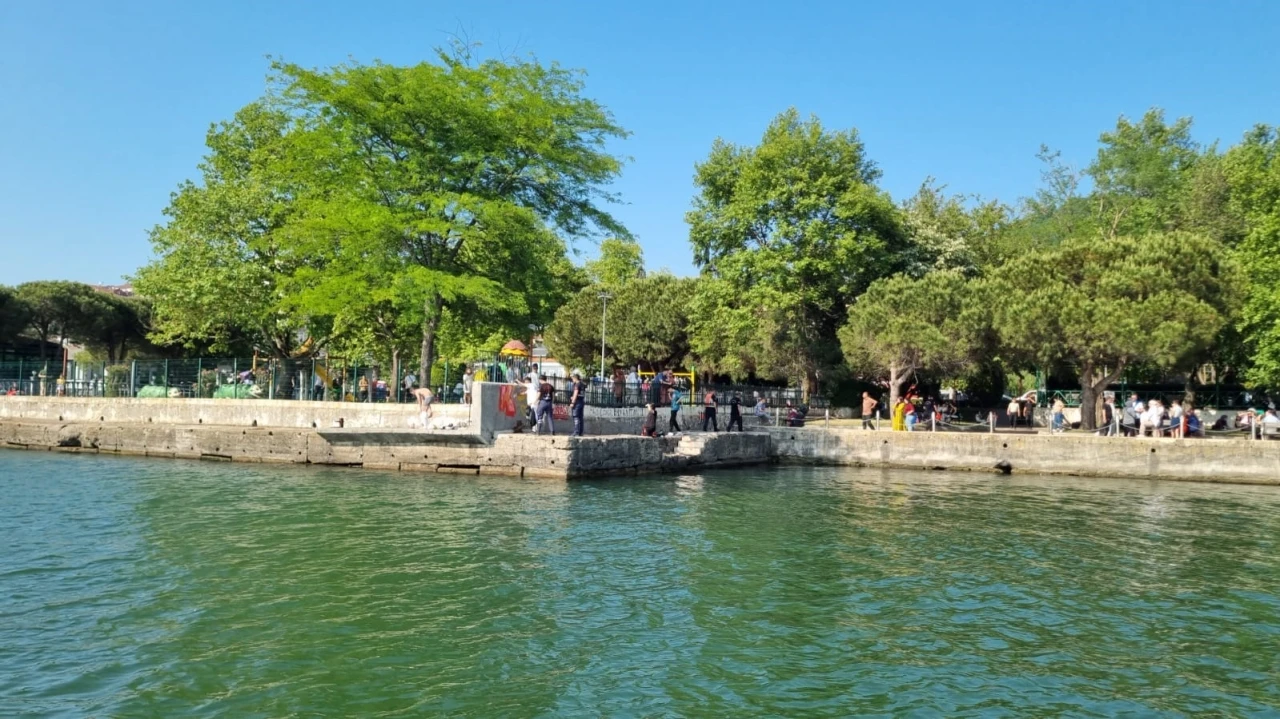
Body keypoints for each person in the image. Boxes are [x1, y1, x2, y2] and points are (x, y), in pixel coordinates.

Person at [569, 370, 586, 437]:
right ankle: (580, 432)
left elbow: (576, 393)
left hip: (577, 402)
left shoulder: (577, 384)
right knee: (580, 417)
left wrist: (572, 402)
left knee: (576, 417)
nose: (572, 380)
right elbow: (581, 394)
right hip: (581, 401)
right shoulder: (582, 384)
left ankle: (576, 432)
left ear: (575, 378)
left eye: (572, 378)